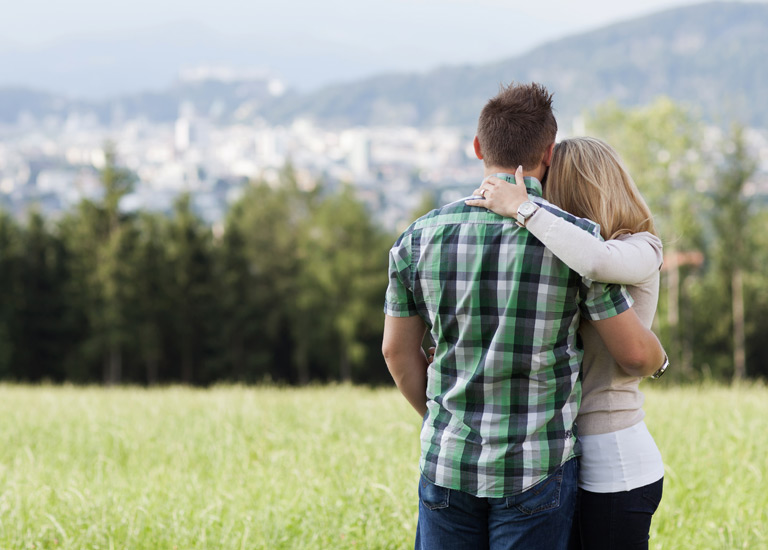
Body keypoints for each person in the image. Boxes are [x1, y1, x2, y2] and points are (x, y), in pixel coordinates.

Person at [381, 82, 667, 550]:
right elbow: (632, 349)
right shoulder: (575, 243)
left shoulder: (418, 238)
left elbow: (395, 351)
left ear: (477, 147)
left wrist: (446, 423)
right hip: (537, 467)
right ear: (549, 153)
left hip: (448, 461)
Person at [466, 137, 666, 550]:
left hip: (612, 457)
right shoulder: (558, 258)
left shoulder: (640, 247)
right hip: (559, 456)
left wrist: (523, 209)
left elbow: (596, 260)